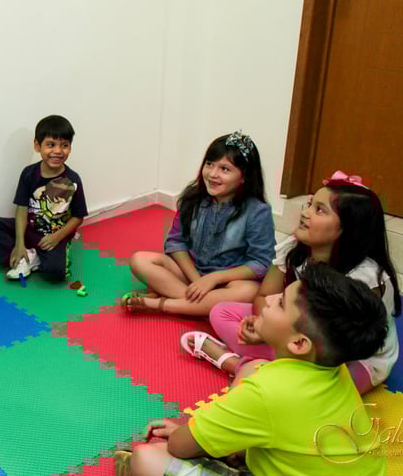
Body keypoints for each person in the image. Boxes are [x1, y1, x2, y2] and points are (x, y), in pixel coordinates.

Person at [114, 263, 388, 476]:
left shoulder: (265, 391)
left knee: (146, 458)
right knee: (253, 368)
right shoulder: (333, 368)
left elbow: (178, 446)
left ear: (299, 343)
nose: (269, 299)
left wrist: (186, 433)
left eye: (280, 303)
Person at [184, 171, 400, 394]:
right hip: (297, 337)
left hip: (346, 357)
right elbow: (263, 296)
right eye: (309, 204)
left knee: (320, 391)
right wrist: (262, 327)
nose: (305, 213)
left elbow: (346, 345)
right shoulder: (295, 249)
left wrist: (277, 338)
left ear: (348, 229)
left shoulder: (364, 278)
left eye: (319, 210)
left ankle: (238, 364)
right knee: (221, 312)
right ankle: (265, 369)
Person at [123, 131, 275, 315]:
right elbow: (175, 242)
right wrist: (197, 280)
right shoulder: (193, 198)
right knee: (140, 260)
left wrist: (214, 278)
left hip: (226, 282)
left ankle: (163, 304)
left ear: (244, 177)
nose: (212, 174)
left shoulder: (257, 212)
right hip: (189, 274)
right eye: (209, 164)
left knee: (249, 291)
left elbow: (260, 263)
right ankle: (201, 308)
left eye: (224, 169)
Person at [0, 115, 87, 281]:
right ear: (37, 146)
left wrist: (57, 237)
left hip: (53, 236)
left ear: (70, 147)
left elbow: (78, 217)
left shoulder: (73, 180)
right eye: (50, 145)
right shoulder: (28, 174)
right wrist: (19, 244)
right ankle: (23, 256)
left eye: (64, 145)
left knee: (56, 274)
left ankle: (32, 258)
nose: (57, 151)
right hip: (29, 229)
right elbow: (21, 209)